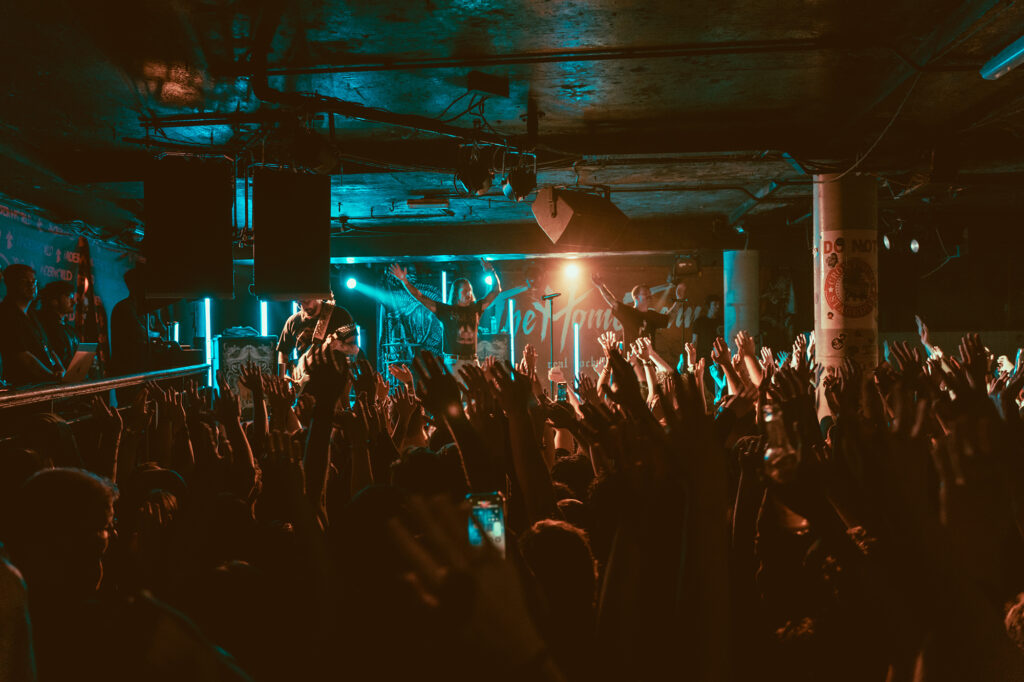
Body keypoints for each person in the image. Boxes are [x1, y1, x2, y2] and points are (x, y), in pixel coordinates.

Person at [389, 260, 501, 373]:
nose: (469, 293)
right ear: (456, 293)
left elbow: (496, 290)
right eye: (465, 290)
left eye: (470, 290)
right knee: (454, 391)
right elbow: (420, 296)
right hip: (453, 364)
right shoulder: (446, 311)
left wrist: (491, 272)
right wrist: (405, 281)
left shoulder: (476, 308)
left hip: (473, 362)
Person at [0, 264, 64, 386]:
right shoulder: (6, 314)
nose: (31, 286)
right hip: (25, 390)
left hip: (47, 385)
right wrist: (53, 377)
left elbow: (49, 349)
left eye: (33, 282)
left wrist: (61, 370)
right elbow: (24, 358)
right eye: (24, 282)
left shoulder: (33, 314)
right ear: (11, 284)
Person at [591, 273, 685, 350]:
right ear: (636, 297)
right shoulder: (629, 313)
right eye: (645, 294)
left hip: (649, 362)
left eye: (649, 293)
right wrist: (601, 287)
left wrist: (679, 300)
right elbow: (613, 302)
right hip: (632, 362)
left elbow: (668, 319)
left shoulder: (652, 315)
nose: (649, 296)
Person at [276, 295, 356, 380]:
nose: (305, 305)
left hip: (334, 382)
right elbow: (283, 352)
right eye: (301, 302)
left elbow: (354, 350)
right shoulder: (292, 322)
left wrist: (339, 345)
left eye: (307, 301)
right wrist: (282, 379)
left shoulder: (340, 315)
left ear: (320, 297)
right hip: (303, 383)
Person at [110, 267, 158, 376]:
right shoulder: (124, 308)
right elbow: (142, 334)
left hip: (142, 370)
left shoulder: (144, 309)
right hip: (129, 372)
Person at [34, 281, 79, 369]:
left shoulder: (67, 327)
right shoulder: (43, 326)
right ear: (54, 300)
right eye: (68, 296)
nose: (74, 301)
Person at [691, 293, 722, 361]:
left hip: (718, 357)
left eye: (718, 304)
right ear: (708, 306)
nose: (717, 306)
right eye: (715, 304)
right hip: (702, 357)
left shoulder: (721, 321)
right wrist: (692, 357)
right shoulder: (699, 322)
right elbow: (694, 341)